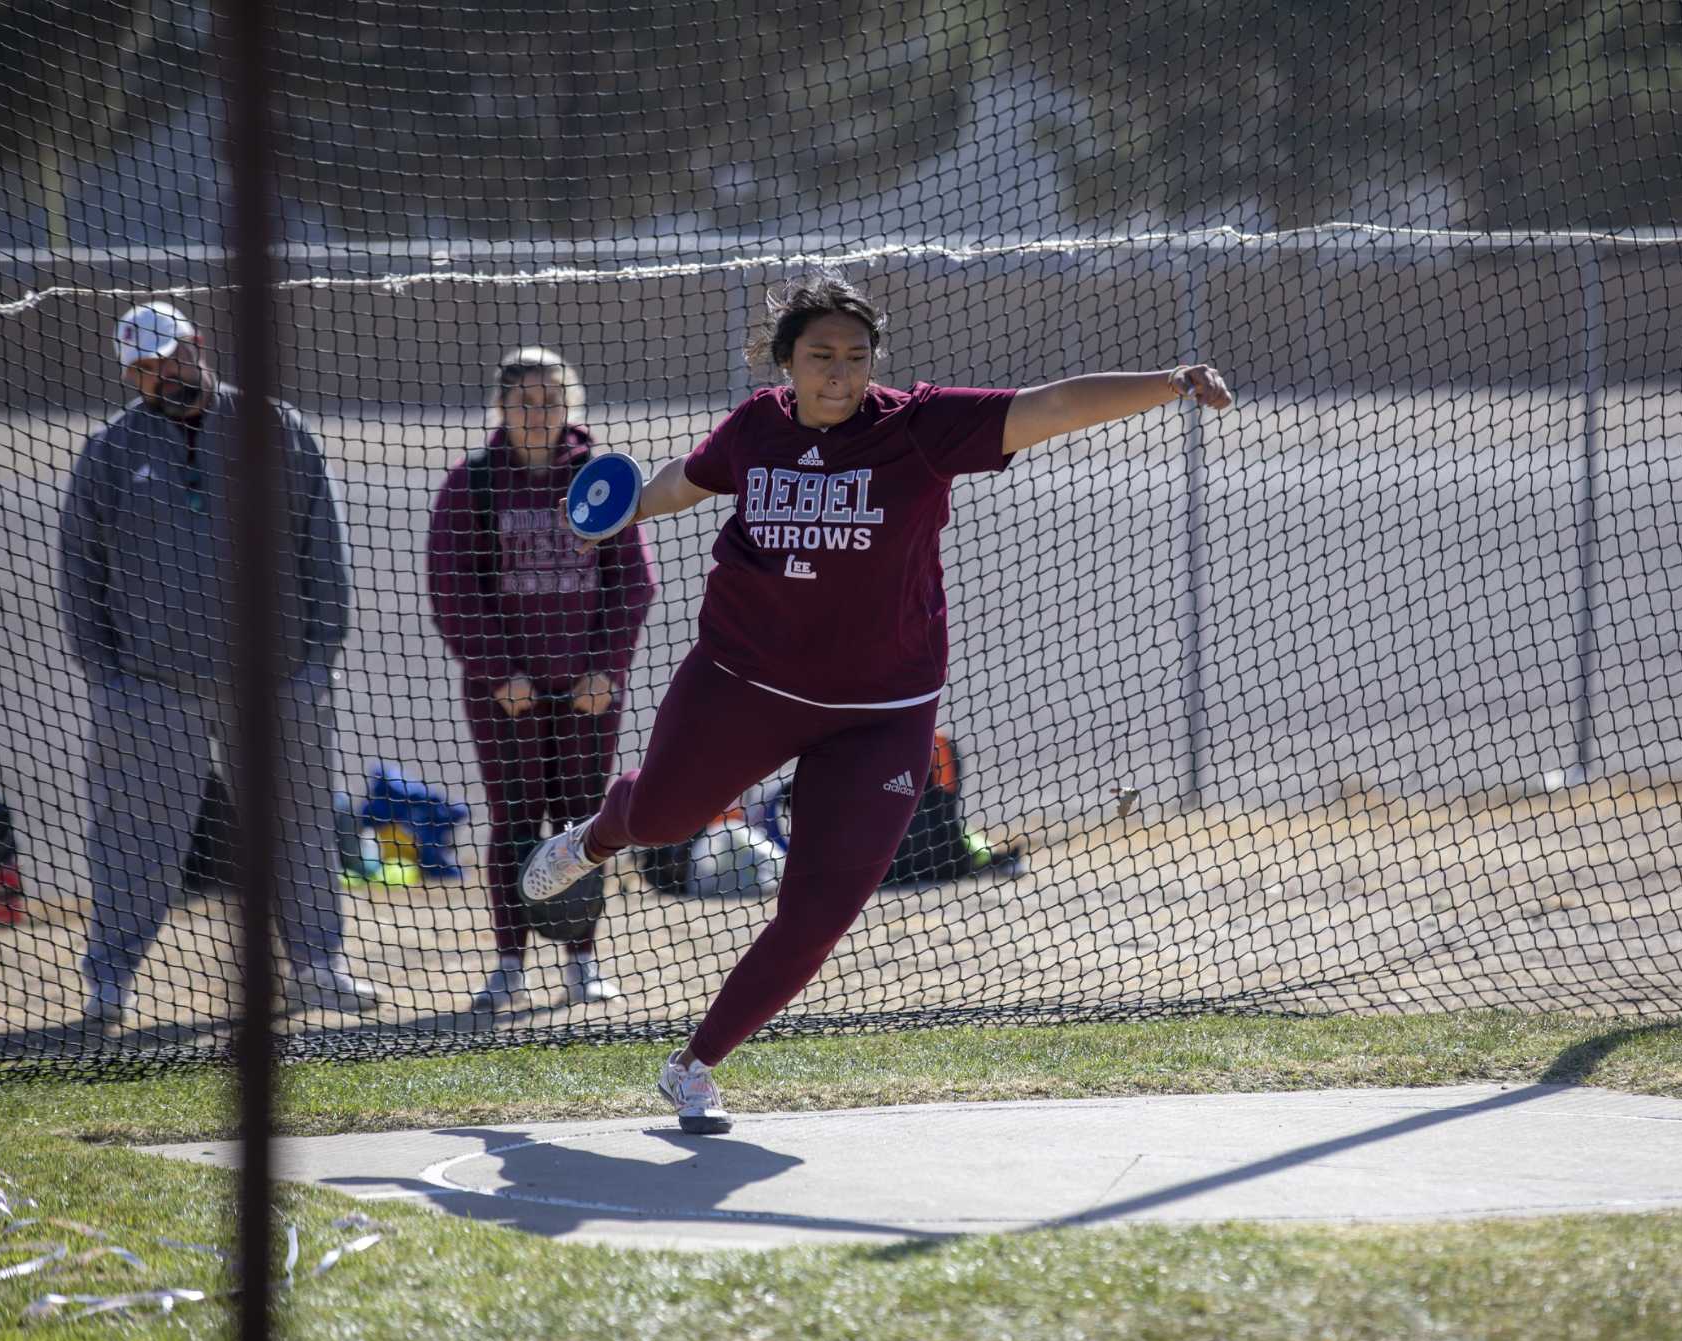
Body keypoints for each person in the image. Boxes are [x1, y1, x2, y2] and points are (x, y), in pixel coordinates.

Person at [519, 270, 1232, 1132]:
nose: (839, 372)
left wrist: (1168, 383)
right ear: (785, 362)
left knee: (821, 911)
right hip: (744, 682)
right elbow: (691, 477)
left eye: (856, 357)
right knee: (665, 819)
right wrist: (624, 508)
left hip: (883, 712)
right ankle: (596, 836)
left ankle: (696, 1064)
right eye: (820, 355)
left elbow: (1049, 406)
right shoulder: (756, 427)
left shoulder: (920, 426)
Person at [59, 300, 373, 1033]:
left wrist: (316, 662)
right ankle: (109, 980)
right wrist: (109, 682)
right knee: (134, 836)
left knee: (297, 825)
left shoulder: (277, 428)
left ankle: (318, 964)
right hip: (150, 691)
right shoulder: (106, 453)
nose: (162, 374)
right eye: (143, 367)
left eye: (171, 357)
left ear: (198, 346)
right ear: (131, 376)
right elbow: (81, 576)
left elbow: (321, 548)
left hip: (278, 685)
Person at [427, 348, 655, 1010]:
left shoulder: (599, 476)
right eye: (525, 401)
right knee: (515, 820)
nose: (539, 413)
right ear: (501, 407)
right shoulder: (472, 484)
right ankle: (507, 964)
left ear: (570, 406)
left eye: (551, 400)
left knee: (584, 822)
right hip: (506, 696)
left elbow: (632, 583)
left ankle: (582, 960)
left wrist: (606, 669)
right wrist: (499, 672)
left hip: (588, 693)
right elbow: (453, 590)